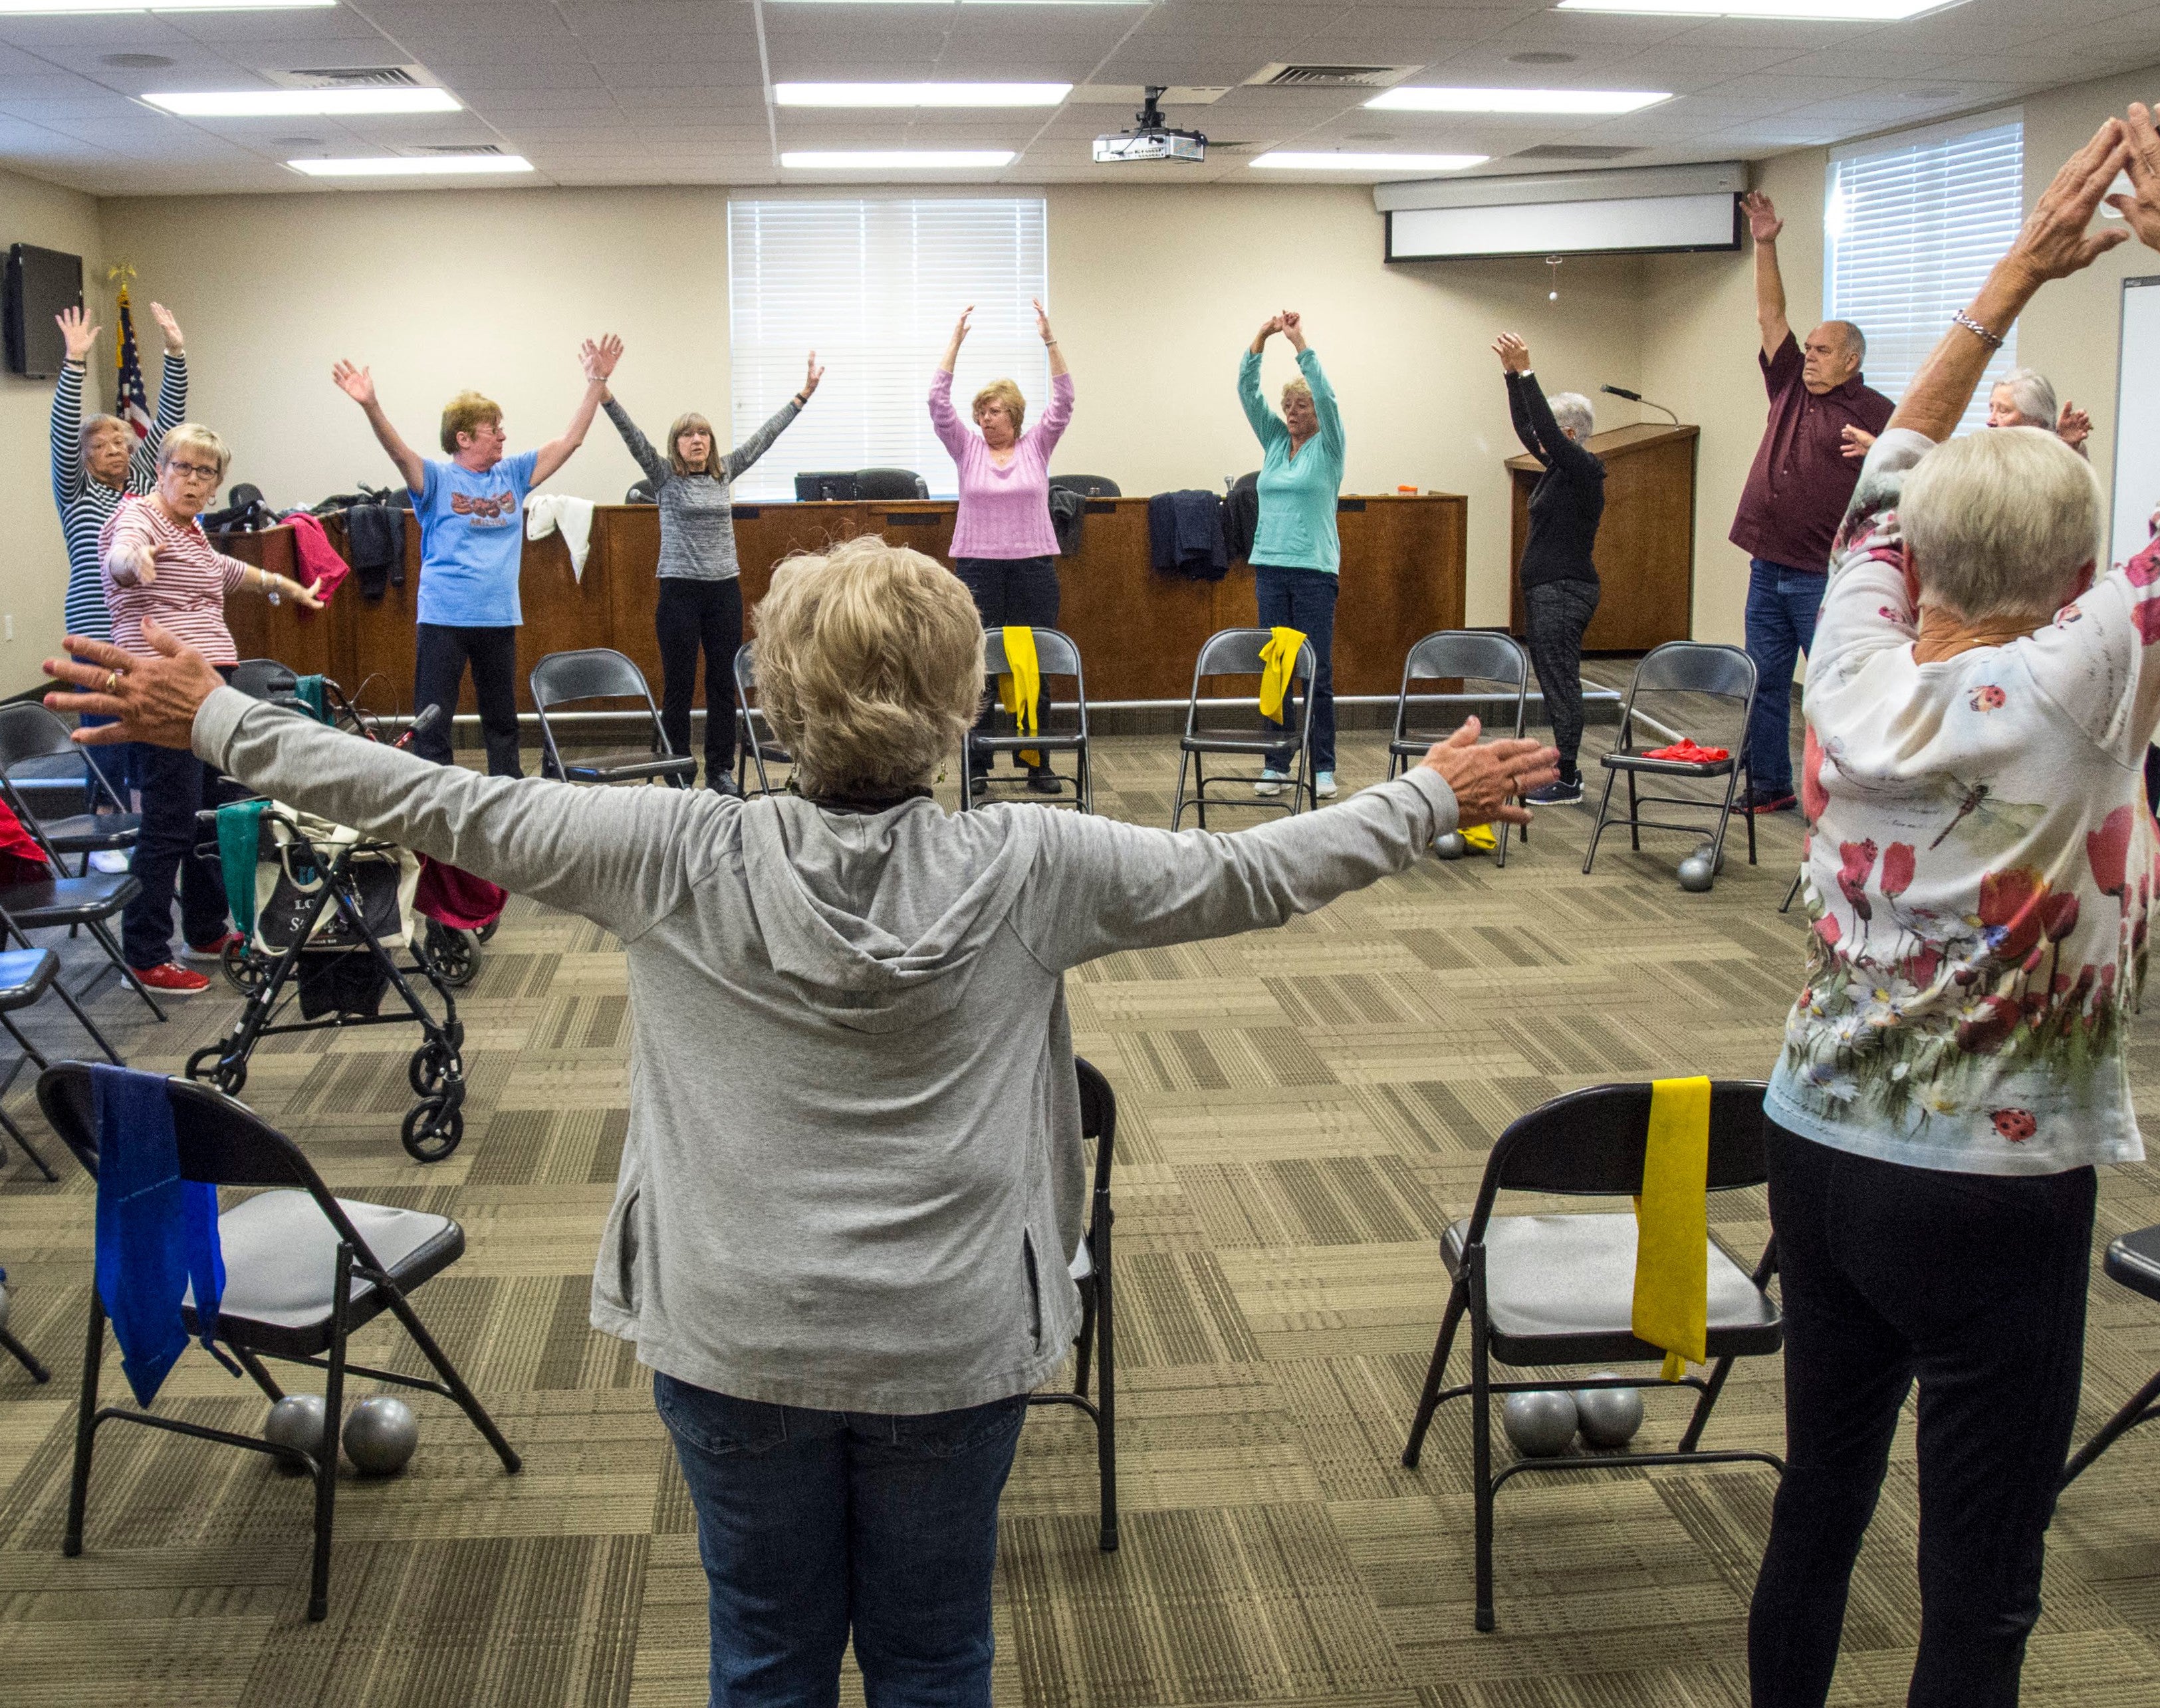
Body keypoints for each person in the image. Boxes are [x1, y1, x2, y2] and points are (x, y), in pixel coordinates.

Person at [47, 538, 1556, 1708]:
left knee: (763, 1664)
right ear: (962, 702)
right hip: (953, 1340)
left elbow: (436, 801)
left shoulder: (665, 851)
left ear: (771, 695)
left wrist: (221, 716)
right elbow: (1252, 875)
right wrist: (1425, 793)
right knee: (931, 1662)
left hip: (732, 1335)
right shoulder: (1032, 862)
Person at [1750, 107, 2160, 1708]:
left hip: (1817, 1140)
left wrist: (2015, 272)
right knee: (1978, 1584)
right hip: (1987, 1191)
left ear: (1903, 563)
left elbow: (1885, 471)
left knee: (1818, 1506)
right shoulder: (2082, 683)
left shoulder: (1846, 657)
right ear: (2074, 586)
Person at [97, 423, 324, 995]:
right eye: (183, 467)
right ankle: (145, 954)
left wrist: (285, 585)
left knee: (207, 815)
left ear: (218, 482)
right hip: (164, 689)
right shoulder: (141, 518)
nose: (193, 480)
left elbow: (225, 572)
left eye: (206, 472)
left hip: (209, 688)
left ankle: (204, 930)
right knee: (169, 820)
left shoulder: (191, 531)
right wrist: (135, 563)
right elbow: (121, 557)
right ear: (162, 469)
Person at [332, 336, 619, 778]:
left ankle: (506, 809)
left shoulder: (513, 473)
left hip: (497, 618)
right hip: (444, 618)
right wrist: (371, 405)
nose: (503, 435)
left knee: (502, 726)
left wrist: (596, 382)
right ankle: (435, 814)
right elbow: (397, 452)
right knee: (433, 727)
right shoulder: (436, 479)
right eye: (493, 429)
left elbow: (570, 441)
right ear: (463, 437)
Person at [1731, 189, 1895, 816]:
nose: (1810, 357)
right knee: (1764, 682)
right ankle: (1768, 785)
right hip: (1765, 564)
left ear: (1850, 360)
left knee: (1832, 690)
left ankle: (1848, 797)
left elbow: (1929, 468)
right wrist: (1765, 243)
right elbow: (1771, 317)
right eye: (1811, 349)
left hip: (1821, 575)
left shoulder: (1876, 411)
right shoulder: (1789, 385)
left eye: (1822, 350)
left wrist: (1881, 448)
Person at [602, 351, 824, 793]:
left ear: (712, 442)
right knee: (679, 686)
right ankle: (679, 767)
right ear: (676, 444)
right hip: (679, 592)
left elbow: (765, 437)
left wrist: (803, 395)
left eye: (703, 432)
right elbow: (631, 434)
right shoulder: (663, 476)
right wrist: (604, 393)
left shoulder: (723, 475)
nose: (697, 439)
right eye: (687, 434)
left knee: (723, 683)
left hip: (723, 591)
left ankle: (720, 767)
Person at [49, 300, 186, 819]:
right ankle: (105, 819)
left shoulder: (147, 491)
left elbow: (169, 424)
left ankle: (142, 814)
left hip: (144, 628)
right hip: (96, 627)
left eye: (121, 441)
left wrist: (175, 353)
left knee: (146, 724)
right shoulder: (77, 494)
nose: (114, 449)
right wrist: (74, 363)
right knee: (105, 725)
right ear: (85, 459)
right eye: (101, 444)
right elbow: (62, 437)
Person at [929, 299, 1073, 795]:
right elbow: (935, 403)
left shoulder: (1037, 444)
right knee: (981, 669)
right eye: (980, 413)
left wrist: (1049, 341)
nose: (985, 420)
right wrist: (955, 342)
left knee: (1035, 665)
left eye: (993, 412)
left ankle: (1037, 763)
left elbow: (1066, 400)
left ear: (1013, 415)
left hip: (1033, 567)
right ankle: (979, 766)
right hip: (978, 568)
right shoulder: (966, 448)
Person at [1240, 310, 1348, 800]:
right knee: (1277, 669)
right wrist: (1259, 339)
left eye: (1300, 405)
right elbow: (1247, 393)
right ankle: (1276, 763)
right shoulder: (1274, 442)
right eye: (1288, 404)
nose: (1292, 411)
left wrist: (1297, 342)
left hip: (1313, 570)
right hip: (1270, 567)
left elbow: (1326, 392)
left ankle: (1323, 765)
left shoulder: (1329, 446)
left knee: (1316, 671)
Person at [1495, 330, 1605, 806]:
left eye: (1551, 435)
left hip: (1563, 590)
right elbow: (1527, 427)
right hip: (1548, 589)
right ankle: (1564, 770)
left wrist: (1528, 372)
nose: (1538, 442)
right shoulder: (1560, 469)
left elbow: (1539, 426)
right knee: (1556, 680)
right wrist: (1510, 378)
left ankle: (1568, 776)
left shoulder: (1583, 469)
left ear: (1568, 436)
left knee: (1561, 682)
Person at [1842, 367, 2094, 461]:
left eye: (2003, 411)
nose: (1990, 420)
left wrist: (2067, 446)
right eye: (1991, 408)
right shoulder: (1987, 453)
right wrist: (1878, 448)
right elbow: (1935, 469)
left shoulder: (2057, 455)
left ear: (2036, 419)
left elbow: (2061, 482)